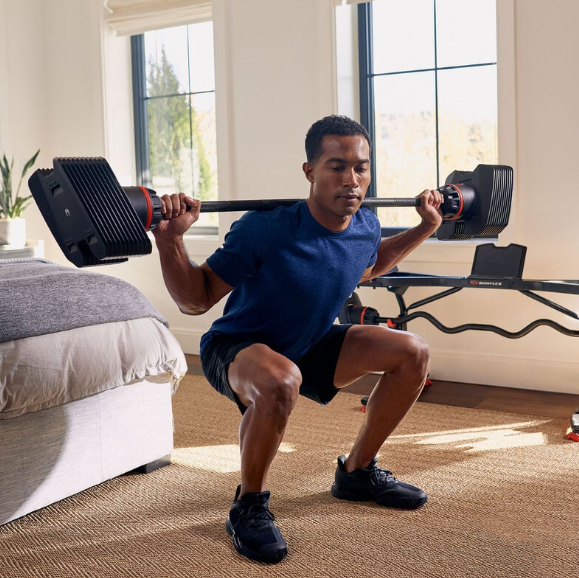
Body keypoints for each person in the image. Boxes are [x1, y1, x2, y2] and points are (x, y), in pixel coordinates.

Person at [152, 115, 443, 564]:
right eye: (337, 166)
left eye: (361, 168)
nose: (351, 179)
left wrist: (426, 227)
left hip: (310, 342)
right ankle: (249, 504)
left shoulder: (365, 225)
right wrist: (170, 240)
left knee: (412, 351)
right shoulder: (266, 229)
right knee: (280, 379)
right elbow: (196, 300)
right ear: (310, 171)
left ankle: (357, 472)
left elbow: (368, 265)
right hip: (237, 346)